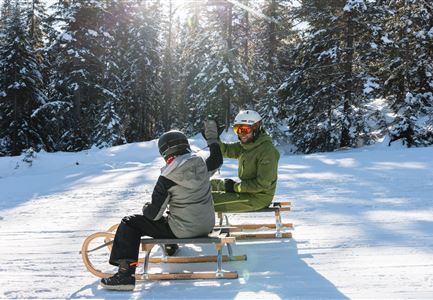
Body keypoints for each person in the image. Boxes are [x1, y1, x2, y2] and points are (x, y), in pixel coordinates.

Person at [100, 125, 222, 291]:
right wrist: (213, 139)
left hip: (182, 230)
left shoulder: (166, 178)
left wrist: (145, 207)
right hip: (207, 225)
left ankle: (125, 275)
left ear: (166, 153)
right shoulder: (201, 165)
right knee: (172, 217)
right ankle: (170, 245)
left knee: (130, 222)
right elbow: (217, 158)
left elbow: (153, 215)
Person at [210, 110, 280, 213]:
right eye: (237, 129)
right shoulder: (247, 145)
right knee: (207, 185)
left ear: (256, 127)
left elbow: (262, 185)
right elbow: (225, 150)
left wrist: (235, 187)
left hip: (257, 198)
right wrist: (214, 139)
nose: (241, 134)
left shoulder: (267, 151)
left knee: (206, 200)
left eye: (244, 129)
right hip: (246, 191)